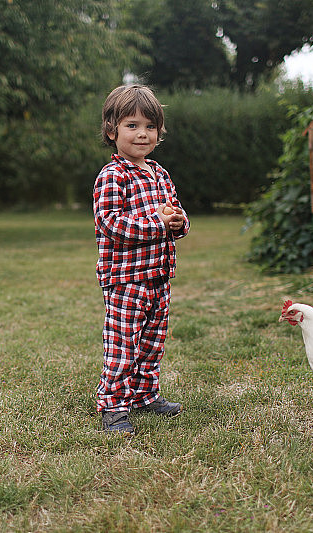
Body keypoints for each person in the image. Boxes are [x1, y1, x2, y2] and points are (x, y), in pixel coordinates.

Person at [93, 84, 189, 435]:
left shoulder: (160, 174)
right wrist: (156, 224)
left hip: (159, 277)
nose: (142, 133)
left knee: (152, 342)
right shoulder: (112, 175)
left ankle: (145, 394)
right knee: (122, 345)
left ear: (159, 133)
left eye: (150, 126)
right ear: (111, 130)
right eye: (132, 125)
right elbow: (110, 223)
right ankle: (114, 406)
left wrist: (178, 223)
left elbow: (174, 215)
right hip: (125, 280)